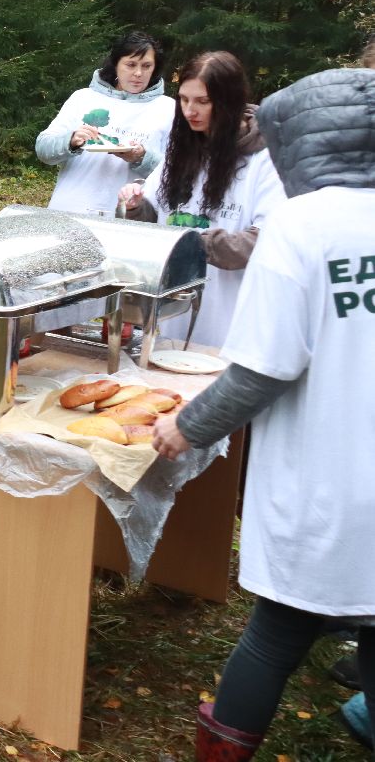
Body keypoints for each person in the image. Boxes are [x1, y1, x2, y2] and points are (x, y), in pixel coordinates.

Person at [150, 65, 374, 762]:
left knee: (276, 633)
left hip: (329, 479)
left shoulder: (303, 224)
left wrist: (186, 427)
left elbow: (263, 369)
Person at [119, 52, 284, 350]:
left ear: (229, 101)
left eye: (202, 101)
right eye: (183, 100)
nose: (189, 111)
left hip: (231, 328)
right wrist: (135, 207)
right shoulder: (182, 150)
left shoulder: (265, 160)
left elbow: (267, 241)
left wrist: (194, 244)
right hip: (172, 322)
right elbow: (154, 217)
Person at [35, 30, 174, 215]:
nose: (138, 73)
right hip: (70, 210)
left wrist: (141, 157)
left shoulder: (168, 108)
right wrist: (71, 141)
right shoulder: (84, 98)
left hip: (129, 217)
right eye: (131, 64)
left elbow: (176, 175)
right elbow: (43, 149)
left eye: (147, 66)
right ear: (116, 64)